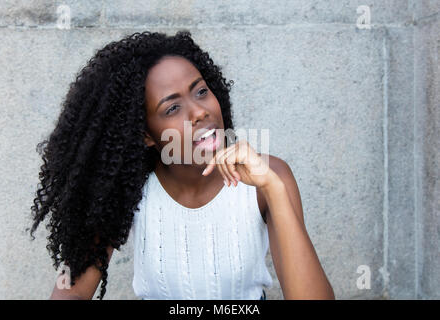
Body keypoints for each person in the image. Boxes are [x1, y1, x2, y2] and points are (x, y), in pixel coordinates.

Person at [29, 30, 335, 300]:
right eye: (172, 107)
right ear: (146, 134)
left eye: (201, 91)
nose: (199, 112)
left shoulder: (268, 178)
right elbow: (69, 294)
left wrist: (274, 189)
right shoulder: (128, 188)